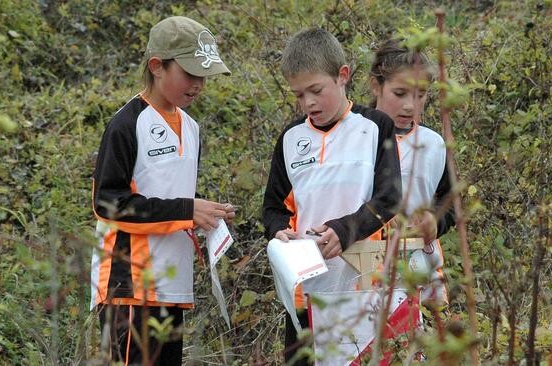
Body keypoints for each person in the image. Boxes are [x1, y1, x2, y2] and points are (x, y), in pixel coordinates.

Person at [90, 16, 235, 365]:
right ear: (157, 66)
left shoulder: (192, 127)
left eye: (204, 76)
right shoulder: (126, 124)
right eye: (189, 73)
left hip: (173, 286)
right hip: (130, 287)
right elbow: (109, 204)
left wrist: (204, 217)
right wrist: (187, 210)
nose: (198, 84)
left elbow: (170, 196)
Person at [262, 28, 402, 365]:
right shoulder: (291, 138)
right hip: (305, 294)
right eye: (298, 95)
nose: (308, 103)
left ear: (342, 76)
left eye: (316, 90)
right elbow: (272, 208)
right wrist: (278, 231)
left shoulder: (375, 126)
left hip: (364, 287)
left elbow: (389, 197)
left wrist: (344, 230)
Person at [369, 39, 455, 306]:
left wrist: (434, 221)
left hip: (422, 274)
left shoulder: (433, 144)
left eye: (420, 95)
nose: (410, 106)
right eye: (400, 94)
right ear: (376, 85)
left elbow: (450, 202)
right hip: (365, 276)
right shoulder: (356, 138)